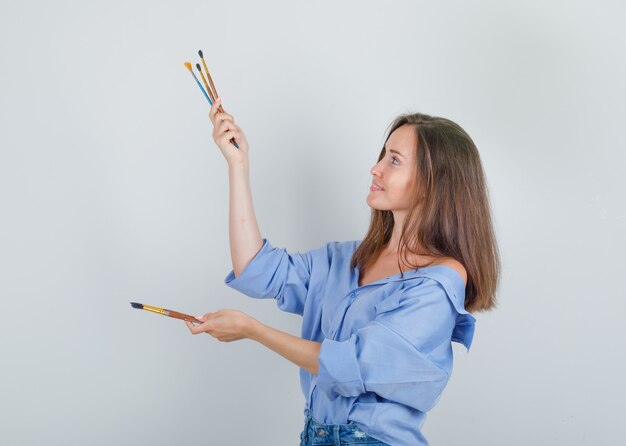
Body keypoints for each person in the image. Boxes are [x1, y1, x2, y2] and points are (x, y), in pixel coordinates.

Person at [185, 96, 500, 445]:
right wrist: (238, 165)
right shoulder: (346, 259)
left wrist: (253, 329)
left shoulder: (439, 283)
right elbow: (257, 268)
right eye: (383, 156)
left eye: (394, 161)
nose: (376, 169)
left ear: (432, 183)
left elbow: (350, 364)